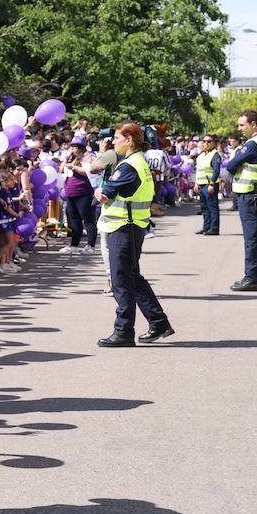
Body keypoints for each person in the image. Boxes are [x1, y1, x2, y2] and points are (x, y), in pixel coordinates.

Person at [94, 121, 173, 347]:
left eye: (117, 138)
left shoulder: (129, 166)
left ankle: (123, 332)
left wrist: (100, 190)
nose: (113, 142)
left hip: (123, 228)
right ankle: (158, 322)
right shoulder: (137, 162)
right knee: (132, 278)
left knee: (121, 281)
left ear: (129, 140)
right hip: (131, 226)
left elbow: (105, 194)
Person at [226, 108, 257, 292]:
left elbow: (230, 165)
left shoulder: (252, 144)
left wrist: (237, 163)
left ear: (254, 124)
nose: (239, 128)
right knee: (252, 237)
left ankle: (251, 278)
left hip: (250, 194)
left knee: (250, 238)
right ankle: (252, 277)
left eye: (242, 124)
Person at [194, 134, 222, 235]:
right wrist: (196, 184)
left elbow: (216, 170)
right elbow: (199, 171)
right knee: (204, 207)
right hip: (201, 184)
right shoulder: (201, 155)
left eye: (209, 141)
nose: (206, 143)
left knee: (212, 207)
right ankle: (206, 227)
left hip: (209, 184)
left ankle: (214, 228)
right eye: (204, 141)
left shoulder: (215, 155)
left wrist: (212, 184)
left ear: (214, 143)